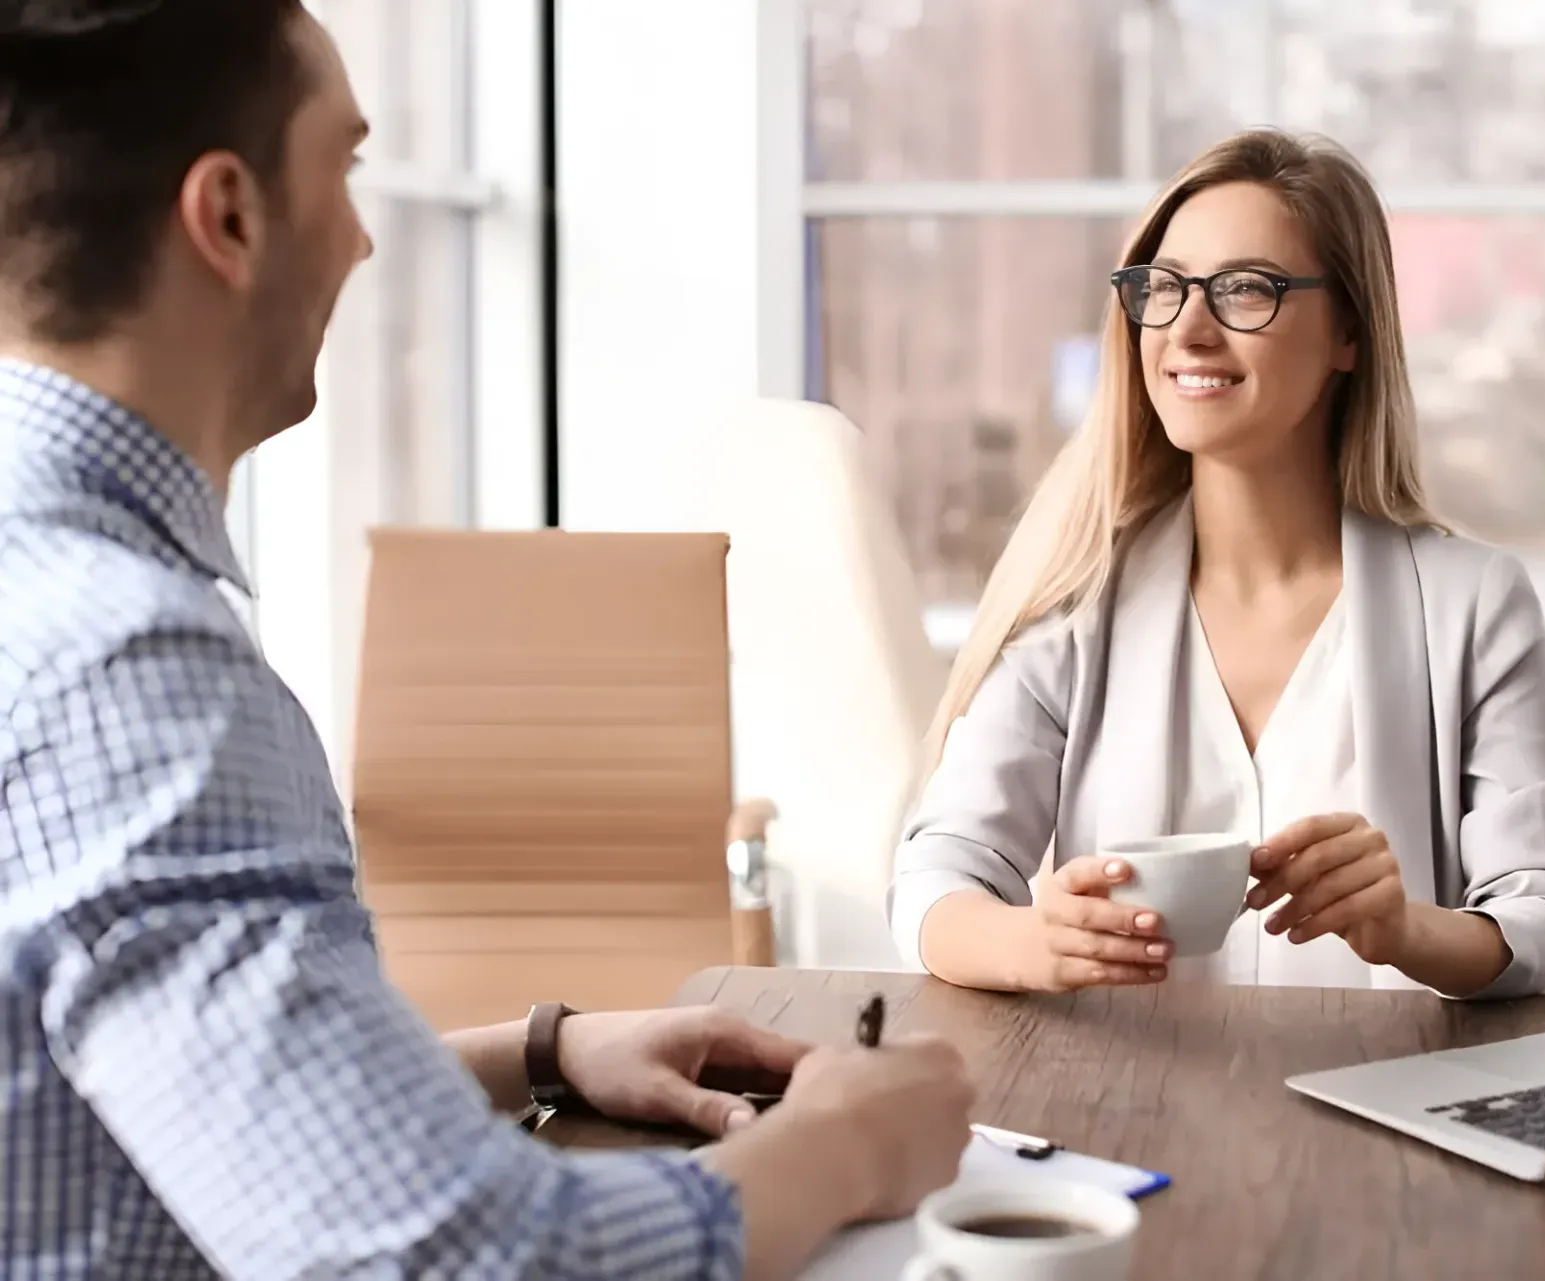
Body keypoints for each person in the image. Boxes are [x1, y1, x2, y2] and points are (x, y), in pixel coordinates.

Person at [0, 4, 972, 1279]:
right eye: (340, 168)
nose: (360, 236)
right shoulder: (126, 670)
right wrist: (845, 1145)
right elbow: (467, 1264)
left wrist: (540, 1053)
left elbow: (159, 1121)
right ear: (229, 216)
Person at [889, 128, 1545, 999]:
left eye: (1244, 290)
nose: (1188, 329)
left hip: (1375, 1117)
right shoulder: (1076, 600)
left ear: (1349, 330)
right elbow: (936, 877)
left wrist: (1407, 928)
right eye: (1163, 288)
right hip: (1121, 1119)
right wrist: (1031, 942)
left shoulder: (1475, 606)